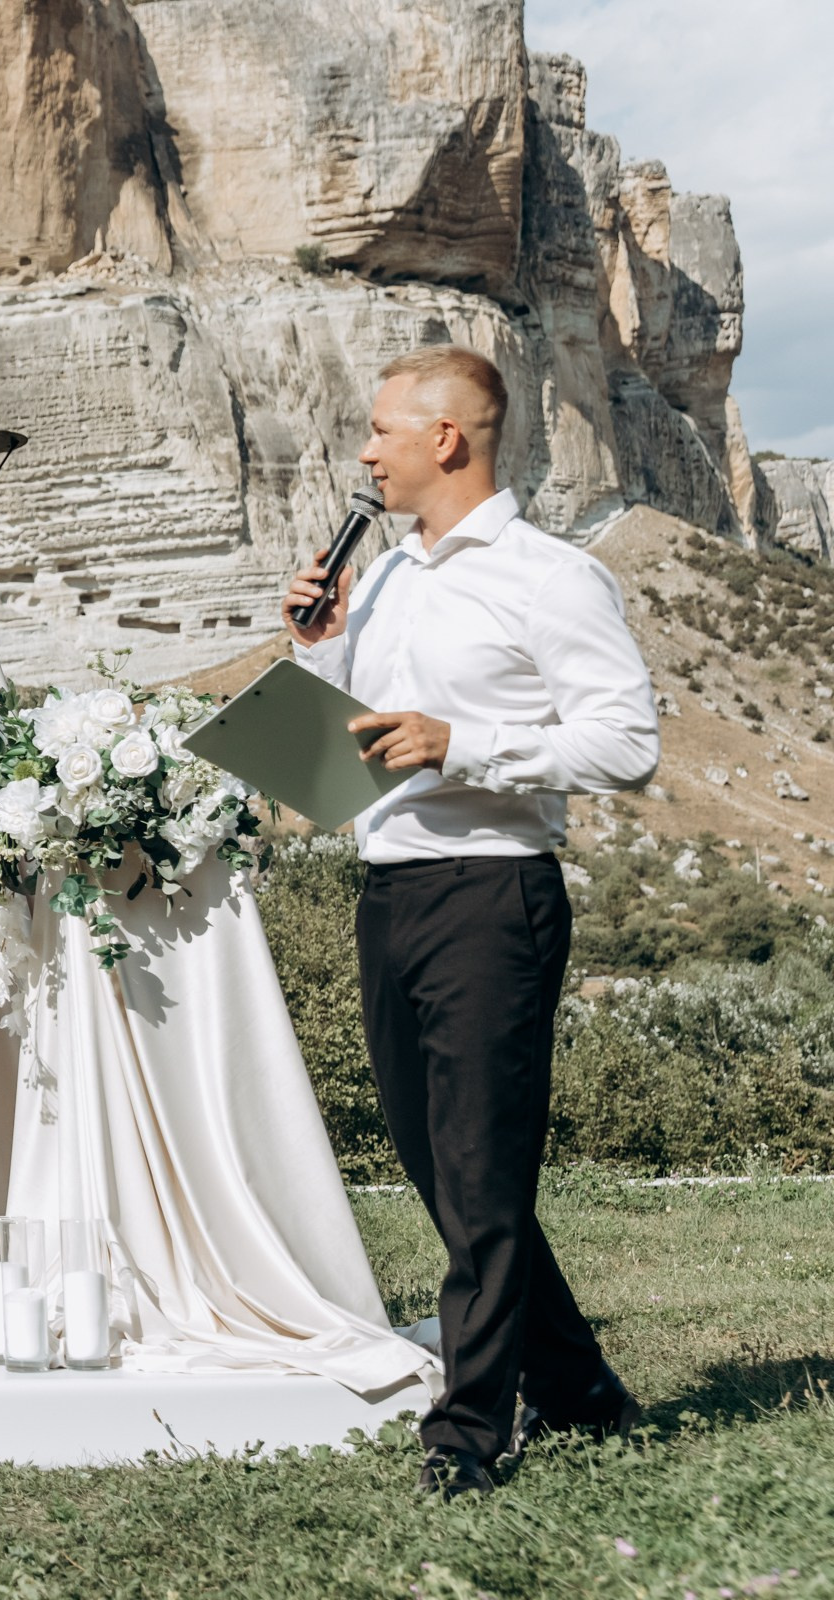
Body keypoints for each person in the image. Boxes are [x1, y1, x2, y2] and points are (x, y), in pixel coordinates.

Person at [284, 345, 660, 1497]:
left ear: (447, 438)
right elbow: (358, 734)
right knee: (445, 1171)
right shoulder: (389, 573)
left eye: (381, 429)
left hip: (494, 893)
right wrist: (320, 646)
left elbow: (628, 743)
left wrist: (467, 742)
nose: (365, 450)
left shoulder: (552, 577)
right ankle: (584, 1390)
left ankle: (471, 1431)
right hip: (390, 887)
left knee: (484, 1172)